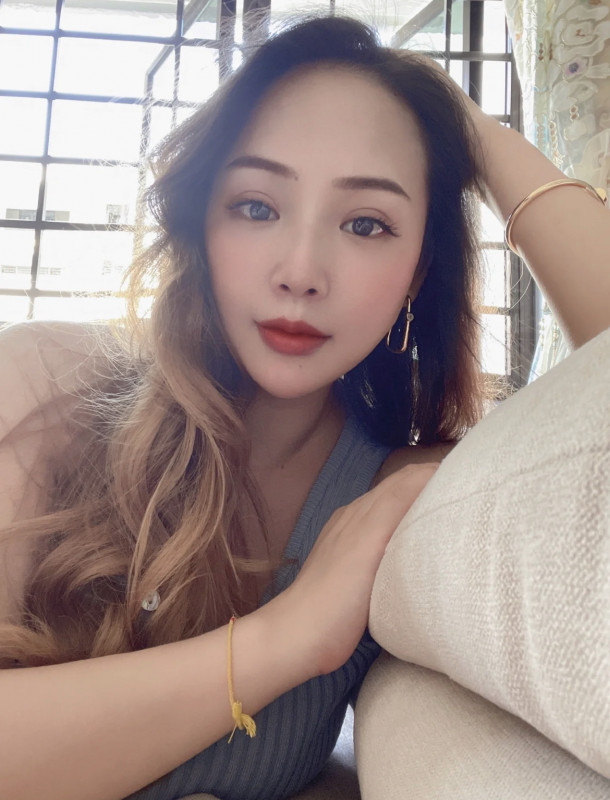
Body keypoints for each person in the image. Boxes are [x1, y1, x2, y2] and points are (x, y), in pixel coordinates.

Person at [0, 14, 608, 800]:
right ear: (201, 223)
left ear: (419, 271)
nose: (301, 270)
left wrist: (473, 132)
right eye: (256, 206)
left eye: (366, 223)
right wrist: (287, 639)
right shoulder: (47, 385)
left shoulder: (397, 490)